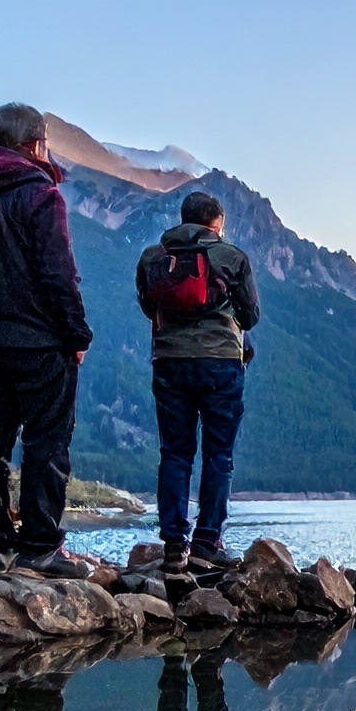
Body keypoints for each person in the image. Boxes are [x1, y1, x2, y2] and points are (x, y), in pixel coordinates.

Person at [0, 103, 93, 579]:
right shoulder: (41, 195)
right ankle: (40, 547)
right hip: (38, 342)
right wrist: (76, 333)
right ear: (35, 143)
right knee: (47, 441)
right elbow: (58, 272)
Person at [136, 191, 260, 575]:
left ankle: (175, 543)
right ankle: (207, 541)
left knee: (175, 451)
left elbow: (147, 305)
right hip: (221, 362)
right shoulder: (232, 257)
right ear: (216, 224)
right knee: (218, 454)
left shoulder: (152, 257)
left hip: (170, 362)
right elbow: (251, 315)